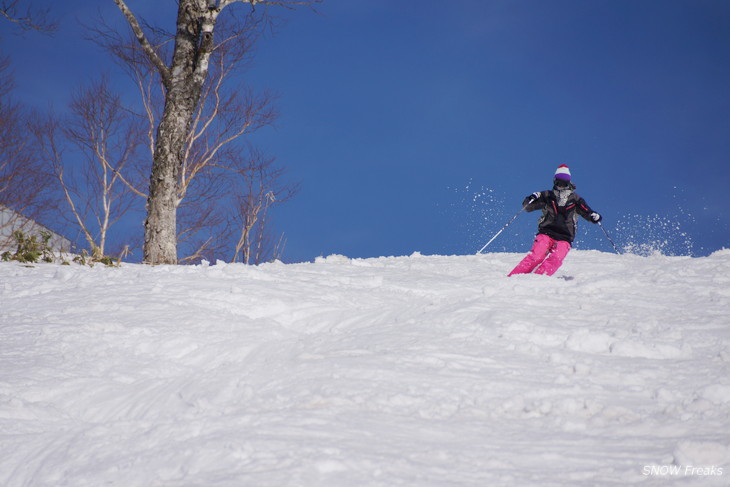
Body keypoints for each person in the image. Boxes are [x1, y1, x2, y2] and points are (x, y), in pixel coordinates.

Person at [508, 164, 602, 277]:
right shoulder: (547, 195)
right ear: (554, 181)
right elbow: (527, 207)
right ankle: (514, 277)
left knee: (556, 258)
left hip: (565, 236)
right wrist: (531, 198)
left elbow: (587, 211)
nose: (561, 186)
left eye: (564, 184)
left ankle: (538, 278)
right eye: (559, 183)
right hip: (546, 232)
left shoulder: (575, 199)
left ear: (568, 183)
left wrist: (594, 216)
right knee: (537, 256)